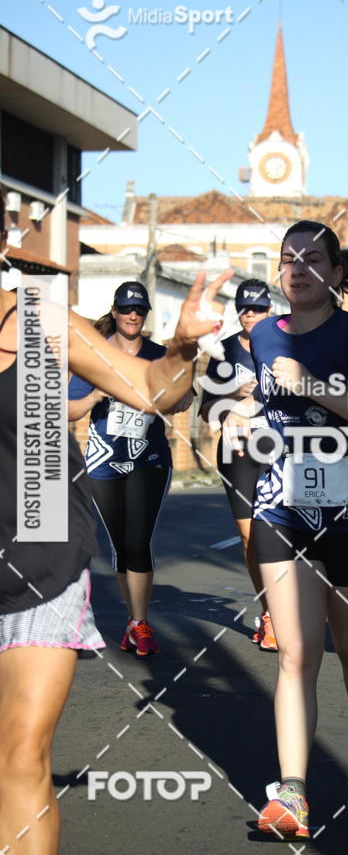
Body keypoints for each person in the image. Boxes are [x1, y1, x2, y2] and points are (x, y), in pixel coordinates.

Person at [0, 189, 230, 855]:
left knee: (20, 755)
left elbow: (155, 389)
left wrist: (182, 345)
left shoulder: (40, 322)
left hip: (40, 553)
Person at [224, 220, 348, 839]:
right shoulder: (263, 335)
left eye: (312, 259)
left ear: (334, 272)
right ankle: (293, 793)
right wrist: (242, 414)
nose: (297, 269)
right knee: (297, 652)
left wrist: (316, 386)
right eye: (287, 259)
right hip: (284, 509)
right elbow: (274, 406)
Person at [68, 282, 192, 656]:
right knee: (121, 544)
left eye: (138, 310)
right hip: (103, 461)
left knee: (138, 541)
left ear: (146, 314)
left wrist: (173, 397)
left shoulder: (158, 354)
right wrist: (95, 395)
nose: (132, 315)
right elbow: (68, 410)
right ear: (115, 311)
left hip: (148, 458)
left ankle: (140, 622)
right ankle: (132, 622)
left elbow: (185, 397)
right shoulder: (95, 354)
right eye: (125, 309)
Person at [200, 278, 277, 651]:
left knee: (280, 535)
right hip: (238, 452)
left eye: (259, 308)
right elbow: (205, 412)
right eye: (246, 309)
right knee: (250, 538)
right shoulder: (224, 351)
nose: (252, 314)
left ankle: (293, 606)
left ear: (270, 310)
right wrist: (234, 393)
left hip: (280, 449)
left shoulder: (285, 344)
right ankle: (270, 613)